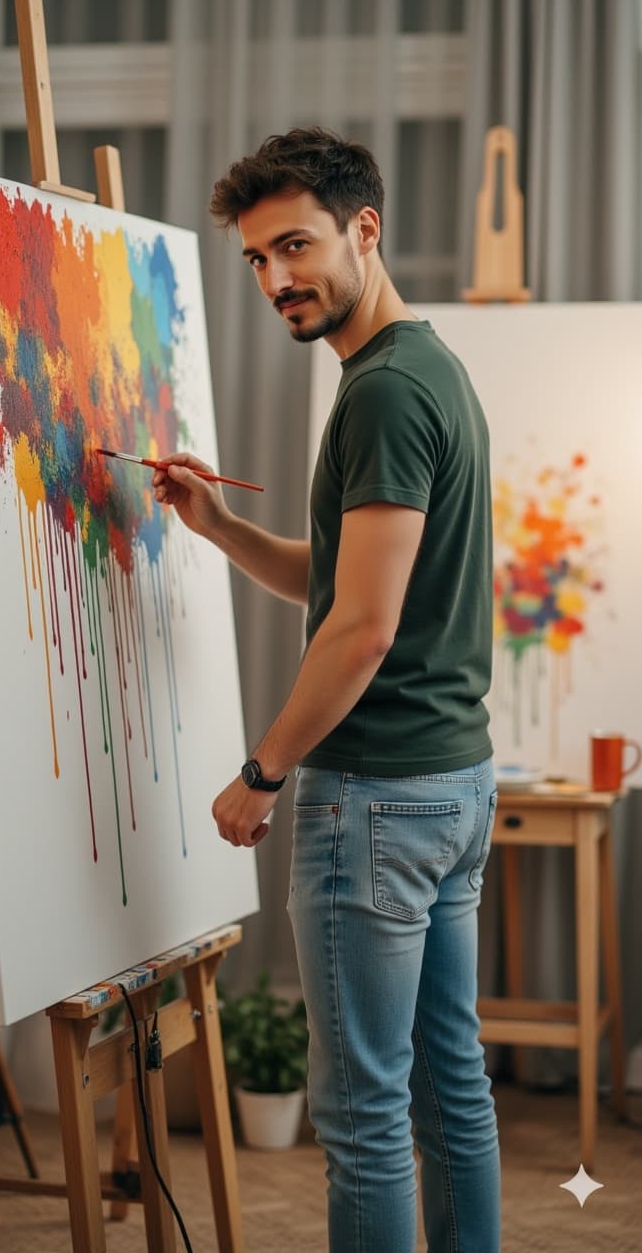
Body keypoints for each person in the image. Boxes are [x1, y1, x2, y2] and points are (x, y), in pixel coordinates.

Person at [152, 127, 500, 1253]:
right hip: (448, 787)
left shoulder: (384, 394)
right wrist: (220, 528)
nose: (276, 279)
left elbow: (360, 628)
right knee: (450, 1092)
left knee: (360, 1117)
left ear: (365, 229)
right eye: (256, 259)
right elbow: (345, 579)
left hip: (379, 800)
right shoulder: (425, 368)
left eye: (294, 247)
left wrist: (263, 772)